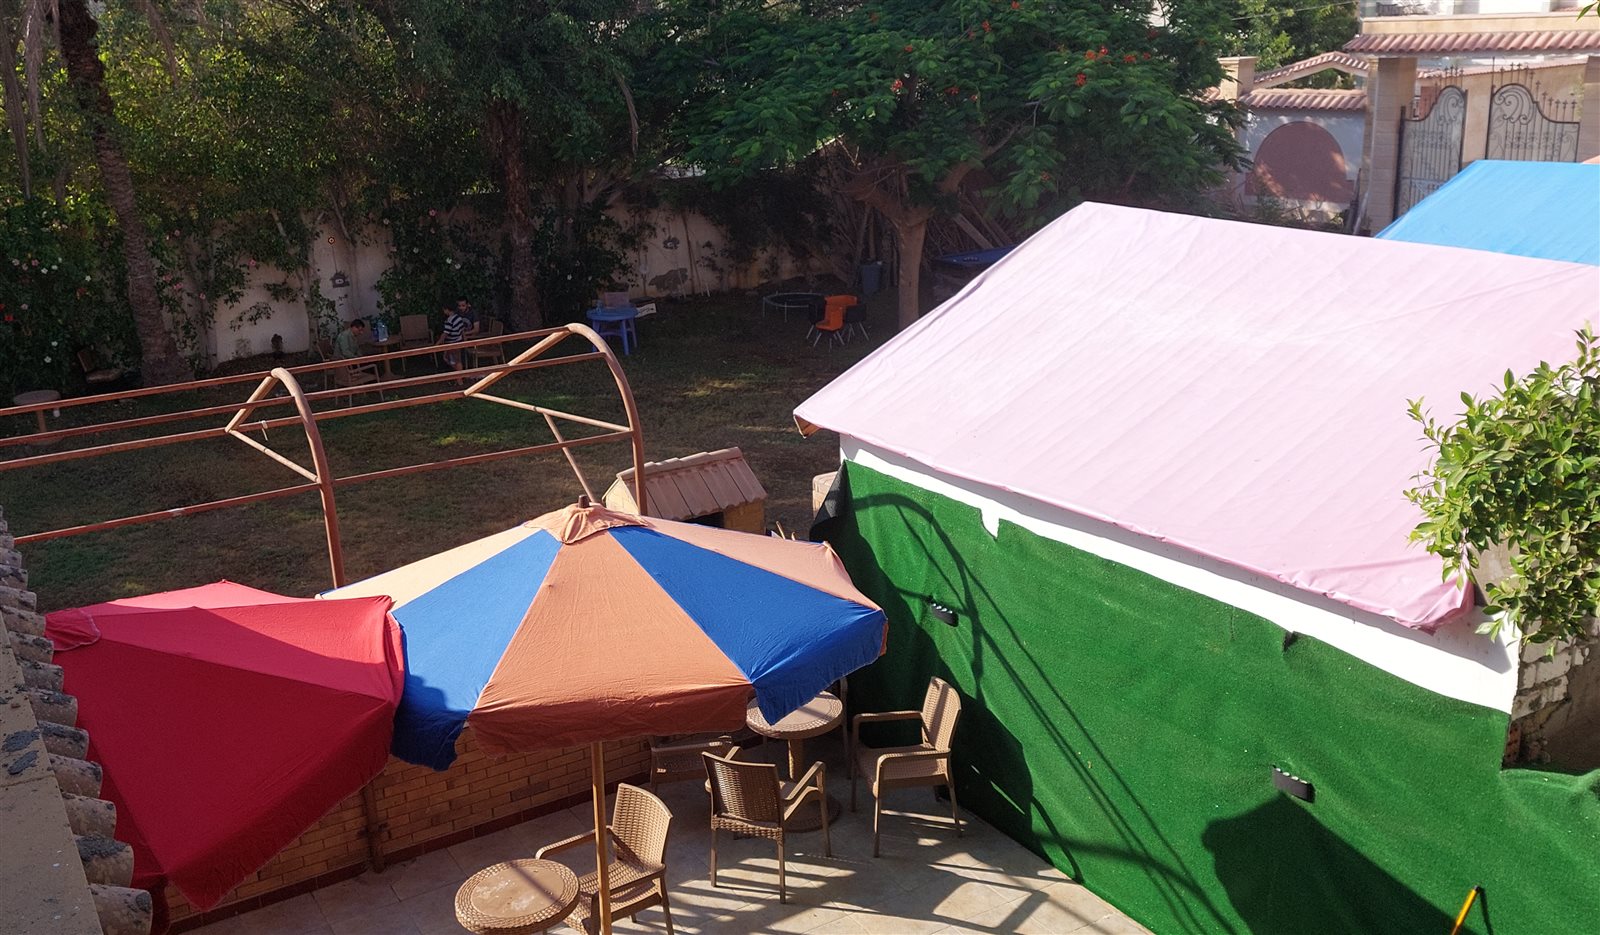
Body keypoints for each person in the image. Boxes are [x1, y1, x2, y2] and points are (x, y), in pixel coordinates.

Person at [438, 301, 469, 372]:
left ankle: (460, 374)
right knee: (455, 359)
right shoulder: (459, 318)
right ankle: (459, 373)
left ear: (447, 310)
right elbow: (462, 330)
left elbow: (445, 333)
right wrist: (464, 339)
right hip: (458, 340)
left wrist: (438, 343)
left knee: (453, 360)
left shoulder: (449, 320)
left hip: (451, 342)